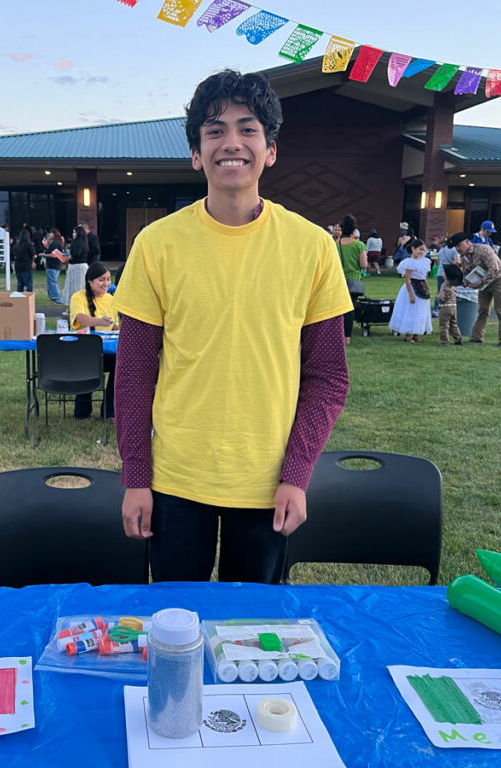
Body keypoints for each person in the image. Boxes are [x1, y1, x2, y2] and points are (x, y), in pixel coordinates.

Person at [112, 69, 352, 585]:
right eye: (214, 130)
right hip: (176, 481)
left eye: (248, 128)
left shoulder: (312, 247)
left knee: (253, 639)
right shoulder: (157, 244)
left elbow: (328, 376)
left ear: (270, 150)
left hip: (268, 486)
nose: (232, 143)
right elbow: (132, 374)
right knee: (179, 628)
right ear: (197, 153)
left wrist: (297, 474)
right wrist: (137, 478)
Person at [69, 262, 119, 420]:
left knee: (120, 362)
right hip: (83, 352)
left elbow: (115, 327)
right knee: (87, 363)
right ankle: (82, 411)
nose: (106, 283)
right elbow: (79, 318)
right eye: (101, 280)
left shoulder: (111, 299)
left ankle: (110, 411)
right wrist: (99, 321)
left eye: (108, 279)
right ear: (90, 281)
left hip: (105, 352)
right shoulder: (79, 296)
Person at [448, 232, 501, 346]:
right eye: (455, 247)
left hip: (498, 280)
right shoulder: (463, 257)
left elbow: (494, 269)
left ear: (467, 242)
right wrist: (464, 282)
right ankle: (476, 337)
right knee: (482, 310)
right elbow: (468, 273)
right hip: (483, 284)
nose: (457, 249)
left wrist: (479, 283)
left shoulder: (484, 250)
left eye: (459, 245)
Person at [388, 237, 432, 342]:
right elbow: (407, 280)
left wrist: (427, 287)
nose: (422, 252)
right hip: (412, 287)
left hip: (421, 287)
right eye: (419, 249)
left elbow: (424, 277)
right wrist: (411, 295)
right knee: (411, 311)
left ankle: (417, 333)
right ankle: (408, 333)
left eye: (423, 249)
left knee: (420, 311)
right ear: (413, 249)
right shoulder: (409, 262)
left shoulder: (425, 261)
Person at [336, 214, 367, 344]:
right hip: (353, 280)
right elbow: (363, 265)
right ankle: (347, 337)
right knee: (349, 309)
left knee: (337, 309)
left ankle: (336, 334)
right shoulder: (359, 245)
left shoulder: (336, 244)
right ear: (354, 230)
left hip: (338, 279)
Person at [436, 264, 463, 346]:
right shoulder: (454, 285)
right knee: (453, 324)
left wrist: (437, 297)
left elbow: (441, 297)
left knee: (444, 325)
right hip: (453, 306)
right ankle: (458, 338)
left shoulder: (444, 285)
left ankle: (444, 342)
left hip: (445, 307)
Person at [62, 225, 88, 306]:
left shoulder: (79, 242)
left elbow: (76, 254)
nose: (73, 234)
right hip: (75, 267)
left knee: (76, 287)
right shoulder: (80, 242)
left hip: (77, 267)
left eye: (74, 232)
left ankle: (75, 305)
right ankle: (71, 306)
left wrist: (67, 258)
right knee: (73, 287)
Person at [43, 228, 66, 304]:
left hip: (52, 265)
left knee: (52, 282)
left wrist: (43, 255)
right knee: (51, 281)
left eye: (51, 233)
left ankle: (57, 298)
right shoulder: (58, 243)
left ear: (54, 234)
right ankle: (53, 296)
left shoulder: (55, 243)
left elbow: (53, 255)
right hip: (56, 265)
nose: (49, 234)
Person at [11, 229, 36, 293]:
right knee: (28, 284)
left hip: (18, 266)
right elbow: (34, 255)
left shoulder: (17, 245)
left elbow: (13, 253)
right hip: (27, 266)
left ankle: (19, 298)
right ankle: (29, 298)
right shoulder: (29, 244)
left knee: (20, 283)